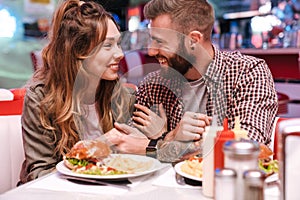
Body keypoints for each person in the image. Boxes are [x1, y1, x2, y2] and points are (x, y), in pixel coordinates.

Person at [131, 0, 278, 159]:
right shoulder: (154, 84)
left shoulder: (247, 73)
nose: (151, 51)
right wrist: (169, 138)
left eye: (160, 41)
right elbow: (127, 143)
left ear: (193, 40)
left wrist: (165, 141)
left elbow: (244, 149)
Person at [19, 0, 143, 184]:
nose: (119, 54)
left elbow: (137, 159)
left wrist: (149, 145)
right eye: (108, 46)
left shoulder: (123, 96)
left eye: (118, 44)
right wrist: (98, 145)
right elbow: (39, 175)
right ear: (79, 51)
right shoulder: (40, 100)